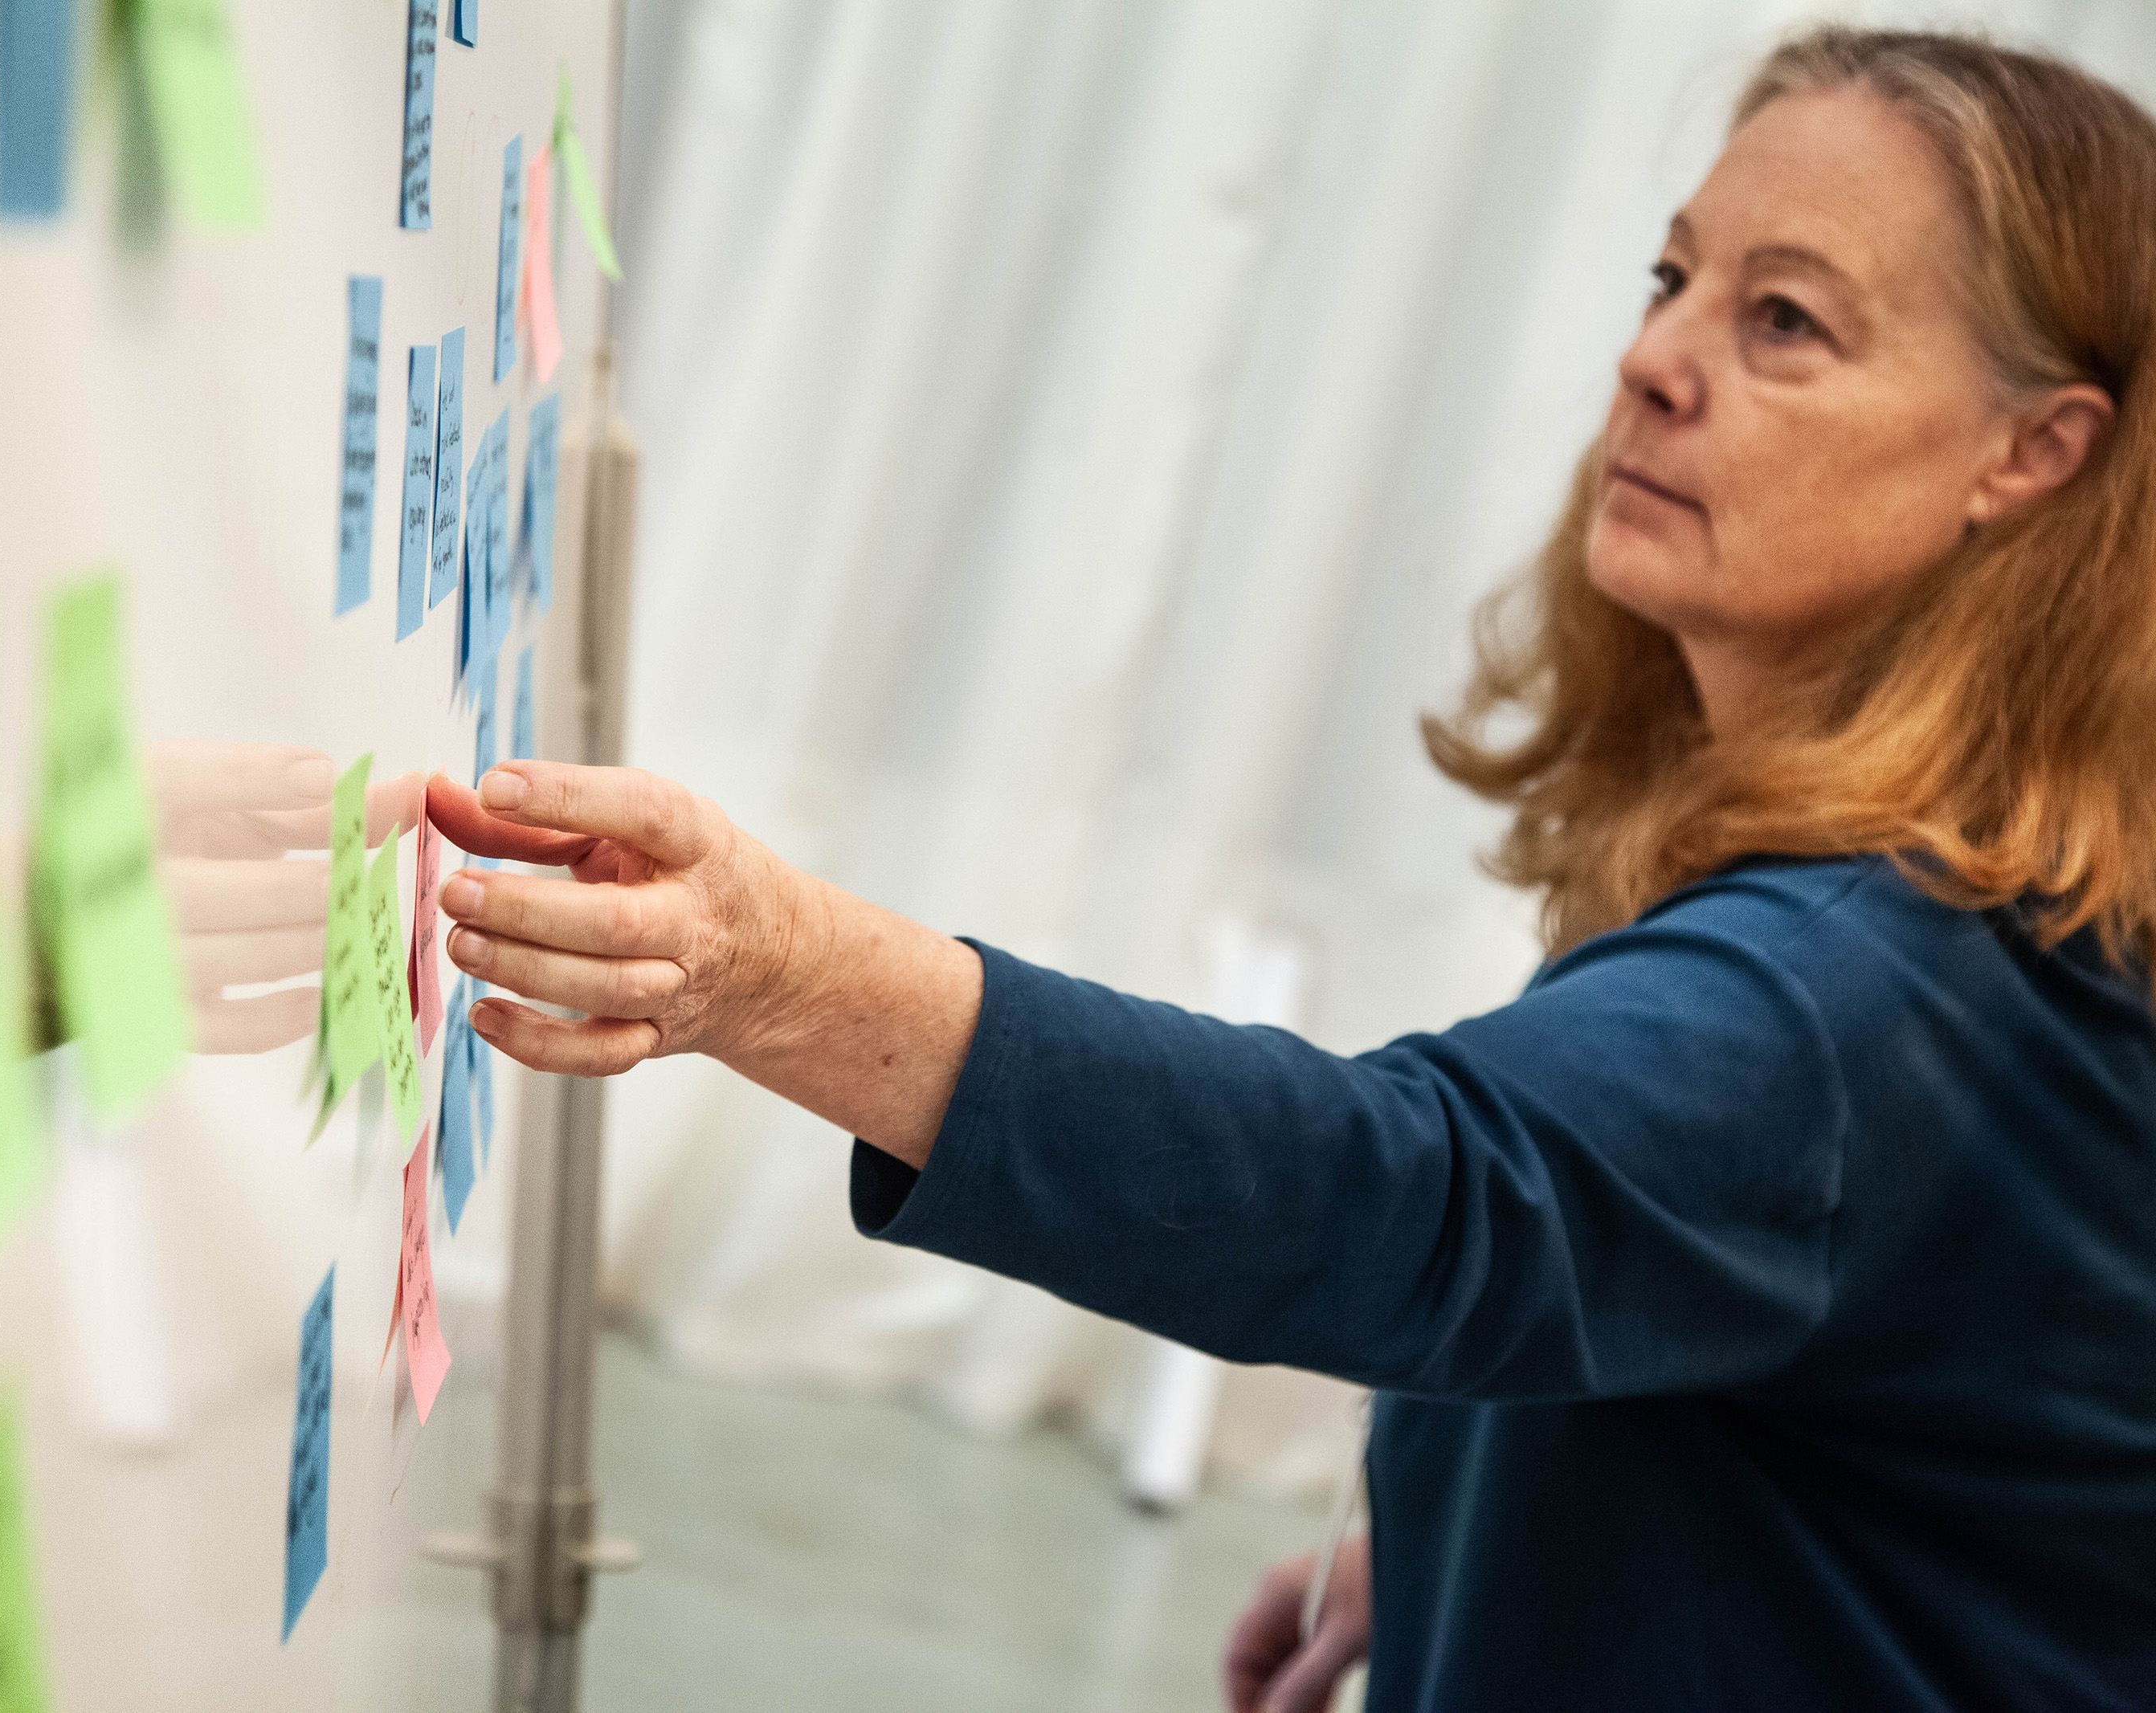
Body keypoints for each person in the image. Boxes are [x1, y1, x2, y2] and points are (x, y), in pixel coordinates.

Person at [427, 27, 2156, 1711]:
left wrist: (783, 972)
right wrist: (1474, 1525)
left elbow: (1426, 1192)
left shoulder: (1870, 983)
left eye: (1785, 320)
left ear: (2033, 453)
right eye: (1670, 278)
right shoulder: (1934, 926)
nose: (1655, 359)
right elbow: (1699, 1289)